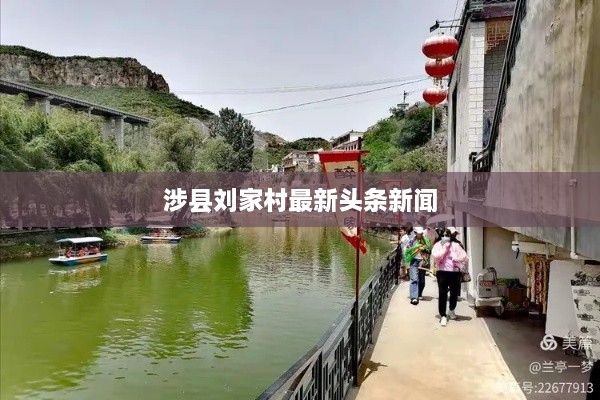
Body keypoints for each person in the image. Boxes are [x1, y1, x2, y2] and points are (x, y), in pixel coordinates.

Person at [432, 229, 469, 326]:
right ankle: (443, 315)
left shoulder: (456, 245)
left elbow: (465, 257)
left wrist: (456, 259)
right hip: (442, 272)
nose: (445, 237)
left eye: (447, 235)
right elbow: (435, 256)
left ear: (450, 236)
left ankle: (451, 309)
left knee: (454, 293)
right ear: (441, 236)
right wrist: (444, 250)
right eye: (444, 235)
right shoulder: (438, 245)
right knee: (442, 293)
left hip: (454, 272)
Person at [404, 226, 432, 305]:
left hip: (423, 261)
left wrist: (424, 249)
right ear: (415, 233)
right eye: (419, 233)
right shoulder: (412, 241)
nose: (420, 234)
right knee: (414, 279)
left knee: (422, 280)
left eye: (421, 233)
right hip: (414, 261)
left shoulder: (426, 240)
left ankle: (419, 293)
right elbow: (407, 250)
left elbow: (430, 250)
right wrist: (414, 248)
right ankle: (414, 297)